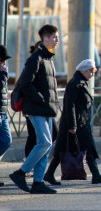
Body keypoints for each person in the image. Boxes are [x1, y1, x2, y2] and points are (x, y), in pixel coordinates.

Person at [9, 24, 59, 194]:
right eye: (54, 37)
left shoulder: (49, 58)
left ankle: (38, 182)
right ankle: (20, 173)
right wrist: (41, 99)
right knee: (44, 142)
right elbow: (25, 83)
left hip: (46, 109)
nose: (57, 40)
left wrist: (51, 104)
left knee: (47, 145)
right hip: (36, 108)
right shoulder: (35, 58)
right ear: (45, 38)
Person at [43, 59, 101, 185]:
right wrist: (72, 126)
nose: (92, 74)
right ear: (84, 71)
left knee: (88, 148)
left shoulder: (82, 82)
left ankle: (95, 175)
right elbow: (70, 106)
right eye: (91, 71)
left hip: (82, 122)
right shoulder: (74, 83)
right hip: (73, 123)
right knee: (62, 150)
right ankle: (49, 174)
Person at [0, 45, 12, 187]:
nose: (3, 63)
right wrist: (3, 74)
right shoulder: (2, 73)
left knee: (6, 140)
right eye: (2, 60)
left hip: (3, 112)